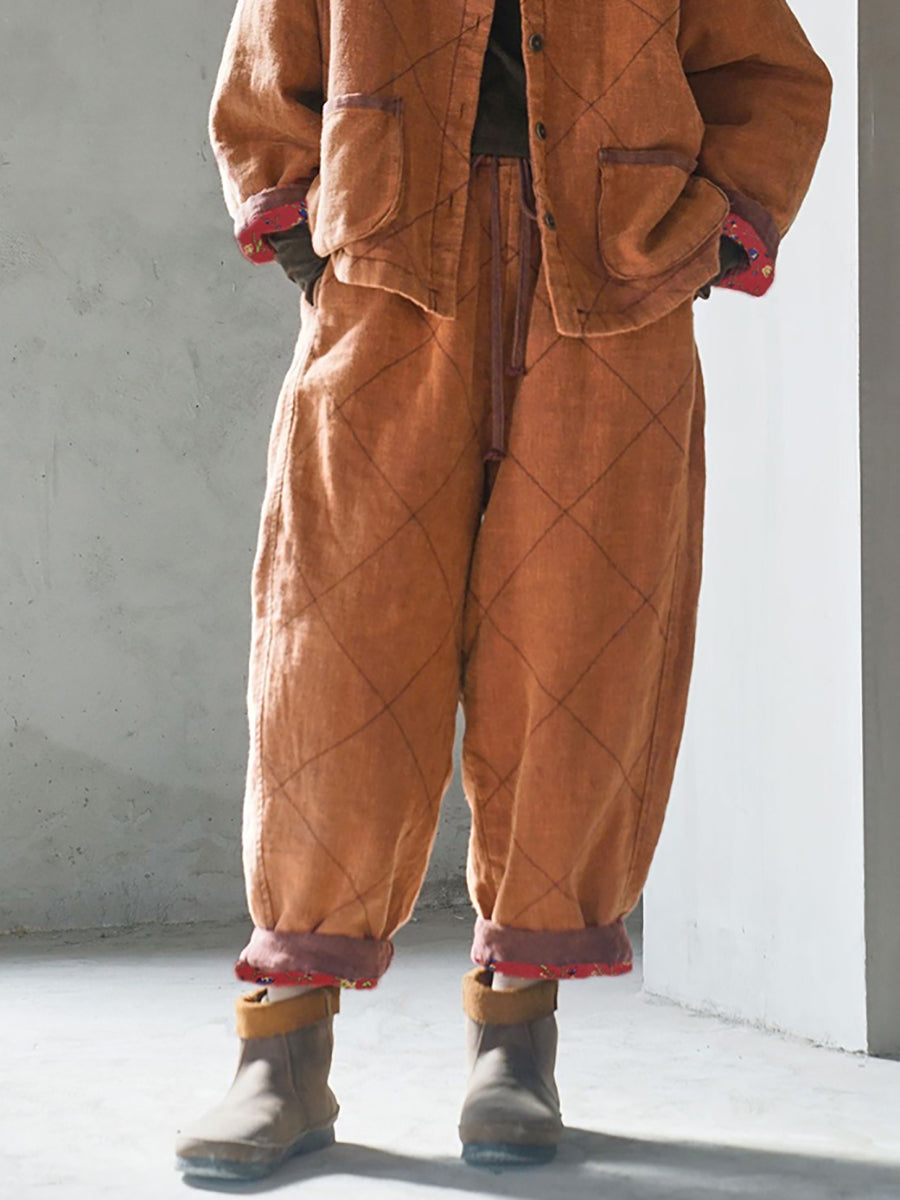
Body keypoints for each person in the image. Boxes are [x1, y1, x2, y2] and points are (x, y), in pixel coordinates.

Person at [175, 0, 832, 1180]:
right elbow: (267, 82)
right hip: (387, 285)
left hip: (613, 301)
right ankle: (283, 1052)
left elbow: (770, 76)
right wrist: (313, 239)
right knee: (335, 659)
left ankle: (516, 1039)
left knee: (577, 654)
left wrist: (706, 234)